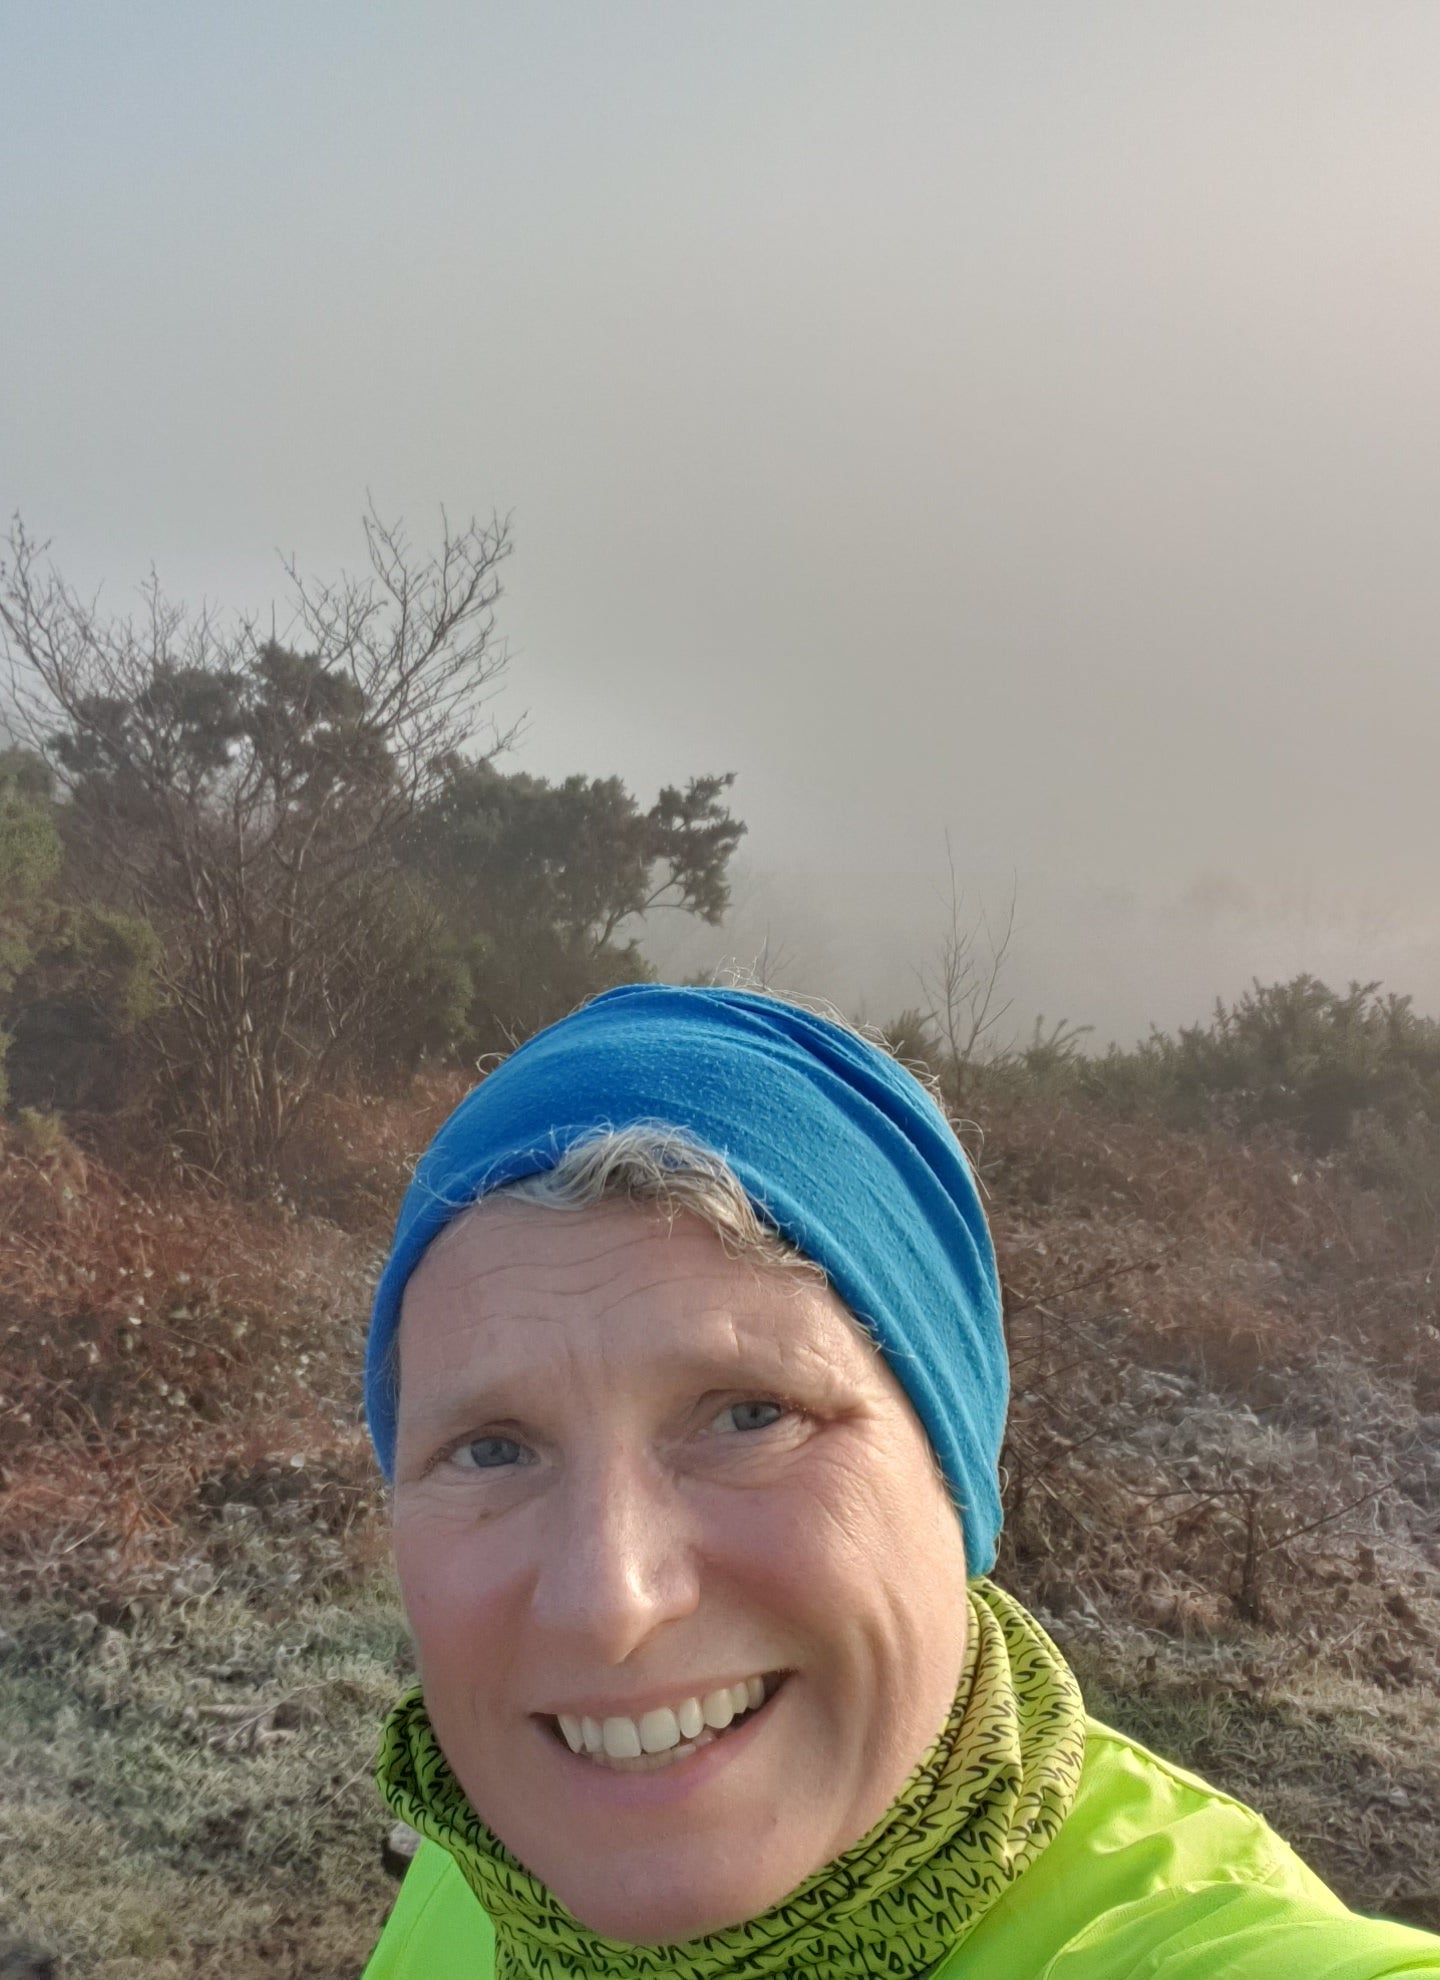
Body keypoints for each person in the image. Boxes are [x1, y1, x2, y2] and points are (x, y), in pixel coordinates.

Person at [360, 983, 1440, 1978]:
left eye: (750, 1415)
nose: (608, 1604)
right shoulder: (482, 1867)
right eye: (493, 1448)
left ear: (954, 1470)